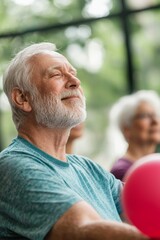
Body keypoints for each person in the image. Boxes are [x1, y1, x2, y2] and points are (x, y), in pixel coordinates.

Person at [0, 42, 150, 240]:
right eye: (56, 75)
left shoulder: (89, 169)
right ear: (22, 98)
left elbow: (146, 206)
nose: (75, 82)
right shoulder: (12, 167)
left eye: (73, 74)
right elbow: (85, 231)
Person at [109, 90, 160, 181]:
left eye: (156, 115)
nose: (155, 122)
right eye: (145, 116)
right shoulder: (123, 172)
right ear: (127, 129)